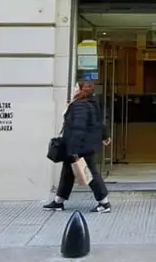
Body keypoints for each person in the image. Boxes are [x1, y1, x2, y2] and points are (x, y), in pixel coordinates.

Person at [43, 81, 112, 213]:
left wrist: (74, 150)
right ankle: (59, 201)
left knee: (90, 173)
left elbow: (78, 129)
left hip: (80, 147)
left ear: (81, 90)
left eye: (76, 87)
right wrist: (104, 136)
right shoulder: (92, 102)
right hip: (84, 144)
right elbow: (99, 122)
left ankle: (104, 203)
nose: (74, 89)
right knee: (68, 172)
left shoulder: (80, 106)